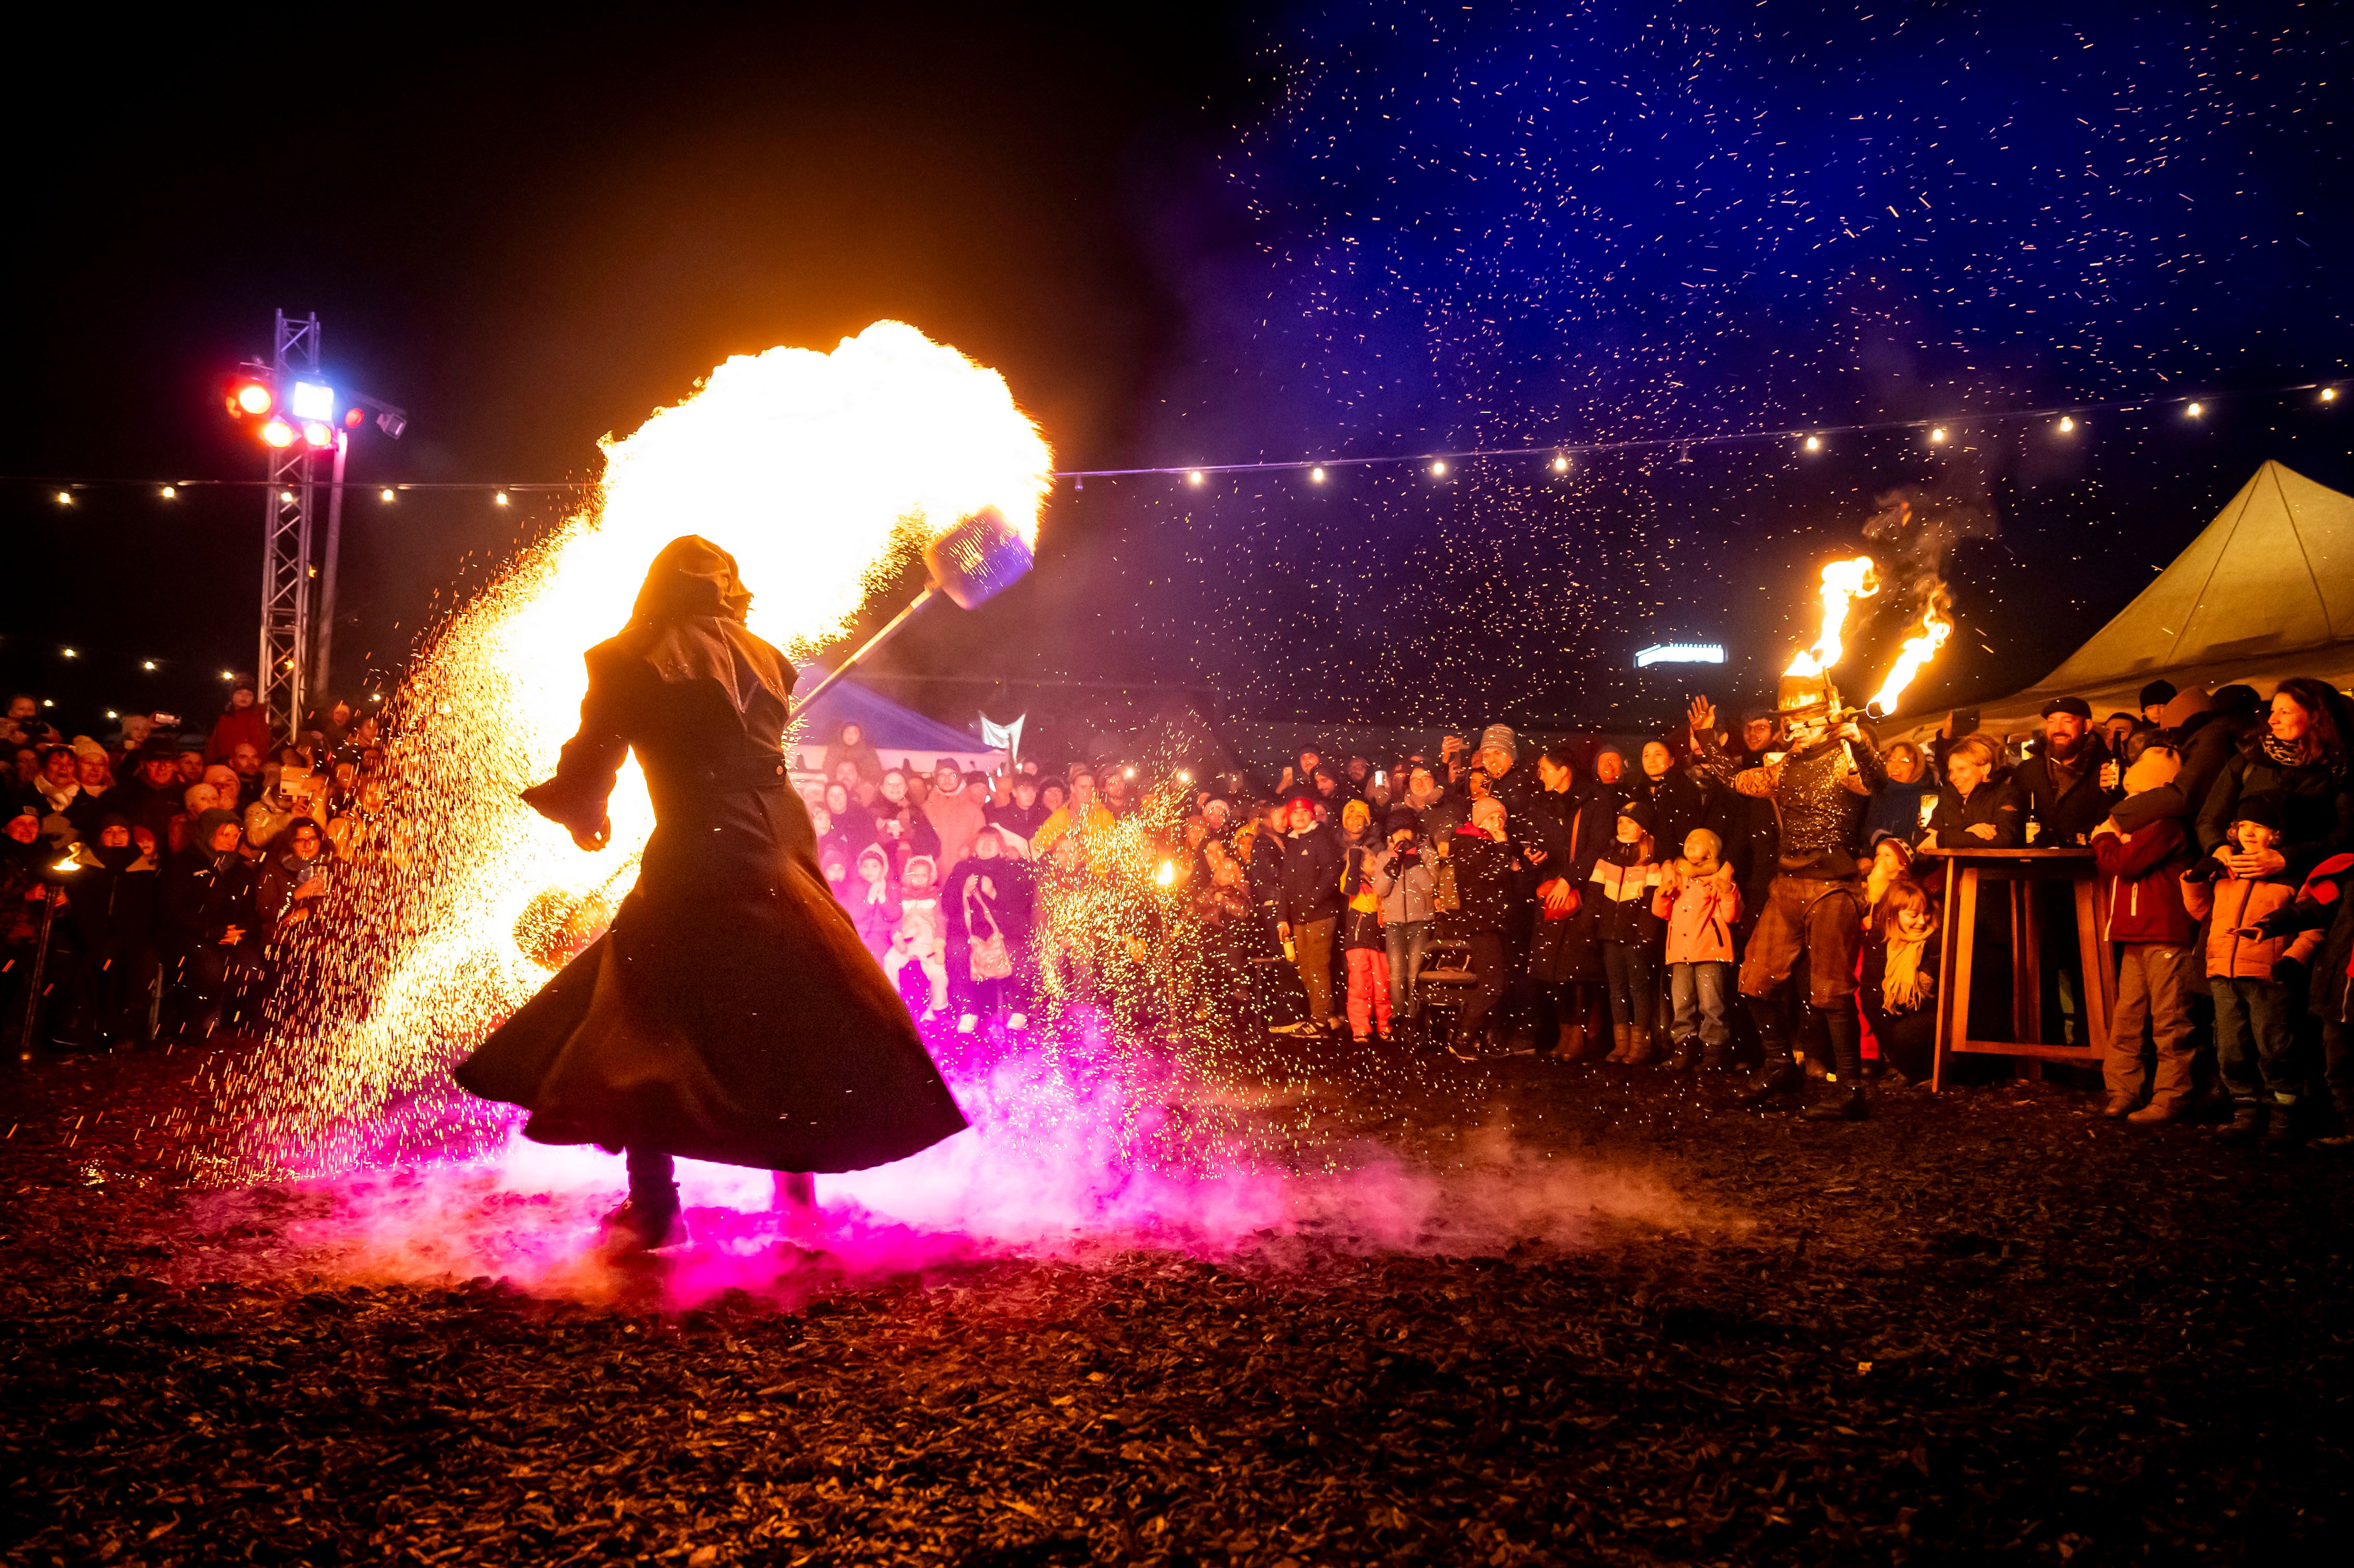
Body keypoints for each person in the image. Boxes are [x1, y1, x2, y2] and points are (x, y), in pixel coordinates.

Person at [451, 537, 966, 1251]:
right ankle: (797, 1207)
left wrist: (586, 813)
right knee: (787, 1005)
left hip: (699, 845)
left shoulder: (624, 658)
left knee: (642, 1015)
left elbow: (594, 756)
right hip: (781, 842)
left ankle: (657, 1212)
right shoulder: (769, 659)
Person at [1688, 687, 1888, 1121]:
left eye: (1803, 718)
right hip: (1788, 884)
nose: (1793, 726)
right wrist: (1706, 739)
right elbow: (1738, 781)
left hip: (1834, 887)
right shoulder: (1782, 766)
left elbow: (1877, 781)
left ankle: (1851, 1090)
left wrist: (1860, 742)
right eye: (1790, 719)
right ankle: (1781, 1066)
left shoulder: (1847, 758)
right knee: (1754, 981)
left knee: (1831, 993)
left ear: (1825, 719)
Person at [2180, 795, 2320, 1148]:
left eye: (2258, 827)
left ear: (2275, 834)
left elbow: (2313, 925)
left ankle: (2284, 1120)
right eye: (2243, 826)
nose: (2249, 833)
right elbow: (2201, 912)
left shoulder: (2290, 877)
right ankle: (2245, 1114)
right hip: (2224, 972)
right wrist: (2196, 878)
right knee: (2231, 1048)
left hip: (2268, 975)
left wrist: (2293, 958)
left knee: (2275, 1047)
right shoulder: (2228, 871)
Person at [2089, 744, 2200, 1123]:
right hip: (2137, 929)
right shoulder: (2140, 821)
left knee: (2170, 1019)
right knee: (2129, 1017)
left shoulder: (2163, 822)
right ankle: (2123, 1091)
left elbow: (2126, 864)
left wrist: (2103, 839)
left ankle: (2171, 1096)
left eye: (2138, 765)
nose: (2129, 768)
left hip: (2163, 931)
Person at [2195, 678, 2354, 882]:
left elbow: (2347, 834)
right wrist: (2218, 846)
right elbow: (2209, 818)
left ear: (2317, 717)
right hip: (2240, 884)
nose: (2272, 720)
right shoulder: (2251, 759)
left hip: (2307, 890)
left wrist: (2286, 859)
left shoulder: (2340, 767)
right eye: (2272, 711)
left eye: (2285, 712)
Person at [2246, 847, 2354, 1146]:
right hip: (2344, 983)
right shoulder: (2348, 873)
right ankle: (2351, 1129)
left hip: (2344, 983)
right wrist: (2269, 925)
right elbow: (2315, 908)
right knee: (2339, 1060)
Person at [1523, 742, 1602, 1058]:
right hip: (1553, 891)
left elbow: (1595, 847)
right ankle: (1565, 1035)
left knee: (1578, 969)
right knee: (1554, 970)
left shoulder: (1594, 801)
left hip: (1581, 893)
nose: (1539, 775)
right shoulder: (1543, 803)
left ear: (1563, 772)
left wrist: (1570, 878)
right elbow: (1544, 842)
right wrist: (1534, 856)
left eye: (1544, 770)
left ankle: (1580, 1036)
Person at [158, 808, 264, 1042]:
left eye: (236, 836)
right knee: (210, 969)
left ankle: (222, 1016)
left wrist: (241, 932)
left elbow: (250, 912)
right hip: (192, 935)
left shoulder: (240, 870)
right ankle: (192, 1023)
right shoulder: (183, 865)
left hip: (229, 936)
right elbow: (173, 911)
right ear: (208, 833)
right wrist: (210, 932)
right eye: (225, 834)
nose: (231, 841)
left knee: (250, 968)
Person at [1653, 826, 1741, 1073]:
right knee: (1683, 1004)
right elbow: (1661, 912)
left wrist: (1727, 891)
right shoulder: (1677, 877)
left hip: (1710, 951)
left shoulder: (1717, 879)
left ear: (1711, 851)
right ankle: (1685, 1048)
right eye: (1688, 839)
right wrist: (1662, 893)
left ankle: (1715, 1051)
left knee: (1712, 1004)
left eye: (1698, 841)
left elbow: (1732, 916)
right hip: (1680, 952)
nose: (1690, 843)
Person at [1441, 794, 1520, 1056]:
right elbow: (1489, 878)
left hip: (1499, 922)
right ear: (1479, 820)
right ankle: (1462, 1036)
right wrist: (1504, 850)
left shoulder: (1490, 846)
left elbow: (1506, 884)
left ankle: (1489, 1039)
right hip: (1482, 923)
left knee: (1501, 984)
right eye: (1492, 818)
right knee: (1492, 986)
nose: (1498, 823)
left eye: (1501, 818)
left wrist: (1517, 868)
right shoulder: (1469, 845)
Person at [1591, 799, 1665, 1063]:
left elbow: (1650, 903)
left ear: (1642, 828)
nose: (1623, 826)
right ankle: (1621, 1044)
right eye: (1621, 821)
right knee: (1617, 988)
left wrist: (1645, 934)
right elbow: (1595, 897)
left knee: (1639, 988)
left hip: (1635, 936)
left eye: (1630, 822)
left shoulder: (1650, 862)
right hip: (1610, 934)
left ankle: (1640, 1045)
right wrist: (1592, 928)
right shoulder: (1607, 857)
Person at [940, 826, 1030, 1033]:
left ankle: (1019, 1008)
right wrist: (964, 892)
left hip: (1003, 928)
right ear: (974, 847)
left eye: (993, 842)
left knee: (1015, 949)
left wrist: (992, 894)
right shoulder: (962, 869)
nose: (987, 845)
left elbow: (1018, 907)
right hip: (968, 930)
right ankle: (967, 1010)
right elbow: (948, 906)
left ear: (1001, 849)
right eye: (982, 841)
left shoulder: (1011, 869)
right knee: (957, 949)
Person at [1274, 794, 1345, 1037]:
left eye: (1305, 811)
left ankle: (1320, 1020)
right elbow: (1286, 884)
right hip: (1299, 918)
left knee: (1317, 968)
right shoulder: (1292, 844)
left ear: (1312, 815)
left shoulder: (1320, 839)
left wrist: (1311, 901)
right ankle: (1328, 1015)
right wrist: (1283, 917)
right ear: (1289, 819)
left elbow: (1332, 873)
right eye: (1295, 813)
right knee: (1307, 969)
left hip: (1319, 916)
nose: (1301, 815)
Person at [1857, 880, 1939, 1087]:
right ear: (1893, 915)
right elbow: (1872, 993)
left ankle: (1931, 1071)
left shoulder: (1936, 939)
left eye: (1926, 913)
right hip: (1896, 1021)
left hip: (1929, 1020)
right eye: (1913, 915)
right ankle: (1912, 1071)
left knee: (1906, 1034)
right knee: (1874, 1003)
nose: (1922, 921)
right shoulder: (1880, 940)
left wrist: (1926, 974)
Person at [2015, 697, 2120, 845]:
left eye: (2067, 721)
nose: (2058, 729)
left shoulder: (2108, 768)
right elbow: (2013, 817)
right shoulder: (2027, 770)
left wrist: (2113, 793)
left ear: (2087, 725)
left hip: (2087, 862)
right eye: (2051, 722)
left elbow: (2121, 817)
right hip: (2037, 863)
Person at [1375, 804, 1436, 1043]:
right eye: (1397, 832)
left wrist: (1413, 862)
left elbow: (1431, 887)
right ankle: (1399, 1018)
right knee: (1397, 973)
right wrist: (1392, 866)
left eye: (1407, 831)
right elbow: (1380, 890)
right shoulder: (1384, 856)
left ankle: (1416, 1017)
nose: (1402, 836)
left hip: (1420, 921)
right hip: (1394, 923)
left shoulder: (1426, 854)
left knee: (1416, 973)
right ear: (1390, 836)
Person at [1338, 799, 1393, 1043]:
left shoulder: (1381, 885)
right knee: (1360, 986)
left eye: (1374, 859)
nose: (1372, 862)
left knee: (1382, 986)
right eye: (1368, 861)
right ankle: (1360, 1028)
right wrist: (1355, 855)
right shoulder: (1355, 885)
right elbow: (1347, 886)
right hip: (1358, 942)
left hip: (1379, 942)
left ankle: (1385, 1026)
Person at [1921, 734, 2025, 850]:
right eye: (1951, 771)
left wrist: (1944, 839)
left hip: (1990, 867)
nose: (1953, 777)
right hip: (1951, 867)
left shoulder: (2007, 796)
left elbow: (2004, 838)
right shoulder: (1948, 796)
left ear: (1985, 769)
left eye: (1961, 769)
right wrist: (1966, 831)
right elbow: (1925, 839)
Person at [884, 854, 950, 1021]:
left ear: (931, 877)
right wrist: (897, 938)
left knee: (937, 972)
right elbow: (896, 919)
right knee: (890, 960)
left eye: (924, 876)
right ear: (908, 877)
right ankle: (893, 999)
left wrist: (939, 941)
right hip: (907, 941)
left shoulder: (935, 895)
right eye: (915, 875)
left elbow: (940, 919)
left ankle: (938, 1006)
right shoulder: (902, 895)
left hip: (928, 942)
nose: (919, 879)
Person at [1863, 741, 1935, 847]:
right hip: (1877, 857)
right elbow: (1868, 831)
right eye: (1891, 760)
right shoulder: (1879, 795)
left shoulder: (1928, 799)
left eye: (1904, 761)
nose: (1895, 766)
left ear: (1917, 765)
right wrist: (1867, 858)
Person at [921, 763, 988, 872]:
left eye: (952, 775)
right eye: (942, 775)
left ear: (959, 778)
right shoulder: (925, 809)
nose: (947, 779)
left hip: (961, 873)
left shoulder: (974, 811)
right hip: (931, 875)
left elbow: (981, 840)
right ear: (936, 779)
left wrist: (970, 848)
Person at [205, 676, 274, 765]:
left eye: (249, 694)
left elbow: (261, 752)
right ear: (232, 696)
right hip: (221, 768)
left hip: (246, 769)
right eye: (240, 693)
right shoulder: (224, 719)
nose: (244, 697)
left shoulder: (257, 720)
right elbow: (212, 748)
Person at [821, 722, 884, 787]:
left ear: (860, 736)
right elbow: (828, 770)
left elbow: (875, 774)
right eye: (847, 732)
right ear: (842, 734)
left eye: (855, 732)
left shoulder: (868, 750)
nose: (850, 735)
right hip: (839, 786)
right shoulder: (834, 750)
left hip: (862, 786)